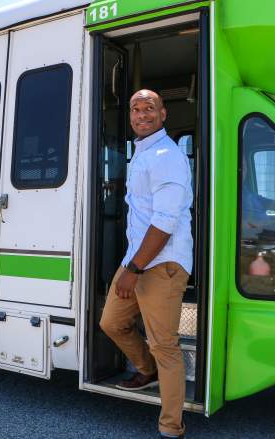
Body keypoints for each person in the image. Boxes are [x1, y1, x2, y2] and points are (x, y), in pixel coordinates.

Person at [99, 89, 193, 439]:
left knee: (164, 345)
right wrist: (131, 266)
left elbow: (165, 223)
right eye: (136, 109)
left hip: (161, 263)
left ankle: (171, 428)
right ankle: (145, 369)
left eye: (149, 108)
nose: (142, 114)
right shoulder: (142, 153)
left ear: (163, 114)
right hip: (137, 259)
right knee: (111, 322)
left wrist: (134, 270)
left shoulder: (167, 155)